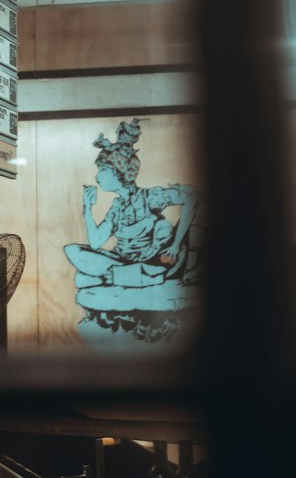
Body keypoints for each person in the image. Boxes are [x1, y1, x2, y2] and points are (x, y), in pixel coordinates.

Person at [64, 119, 202, 331]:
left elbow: (191, 198)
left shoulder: (149, 198)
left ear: (117, 173)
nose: (97, 176)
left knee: (87, 279)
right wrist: (87, 209)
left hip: (150, 262)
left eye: (102, 170)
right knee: (73, 252)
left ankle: (117, 277)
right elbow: (95, 243)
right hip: (122, 261)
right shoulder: (117, 207)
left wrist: (175, 245)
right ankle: (115, 276)